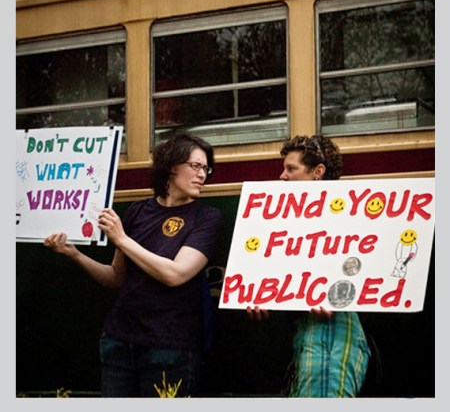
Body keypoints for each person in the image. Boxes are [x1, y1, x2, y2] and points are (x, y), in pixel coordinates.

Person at [44, 133, 223, 398]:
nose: (202, 175)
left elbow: (175, 274)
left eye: (206, 168)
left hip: (170, 346)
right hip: (119, 340)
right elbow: (116, 278)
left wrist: (122, 239)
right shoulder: (138, 212)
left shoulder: (207, 217)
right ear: (171, 167)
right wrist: (74, 254)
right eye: (195, 166)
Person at [248, 134, 371, 398]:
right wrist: (258, 293)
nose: (282, 176)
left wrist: (334, 294)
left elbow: (360, 269)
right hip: (306, 330)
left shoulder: (347, 217)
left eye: (291, 169)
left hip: (331, 332)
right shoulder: (286, 223)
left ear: (318, 172)